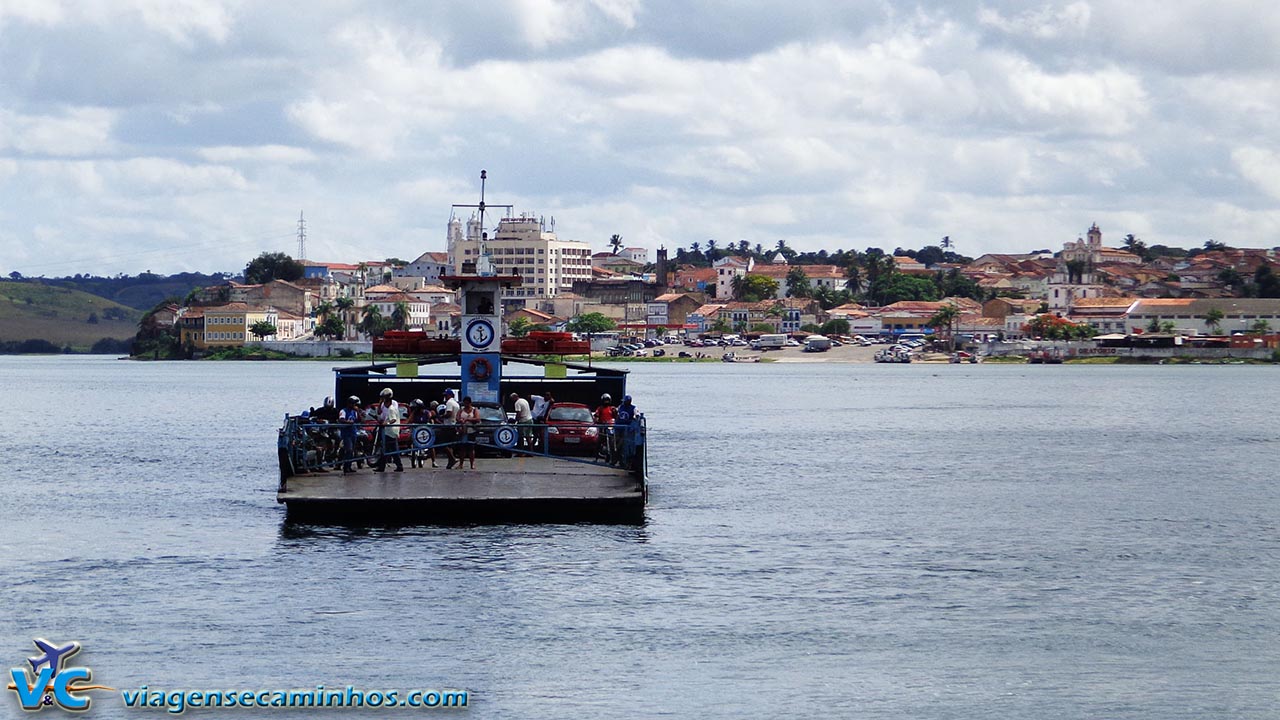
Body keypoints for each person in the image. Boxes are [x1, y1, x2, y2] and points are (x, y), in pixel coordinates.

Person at [372, 387, 403, 472]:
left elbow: (393, 419)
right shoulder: (384, 405)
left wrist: (387, 423)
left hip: (391, 430)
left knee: (387, 449)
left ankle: (382, 467)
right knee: (391, 449)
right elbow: (380, 413)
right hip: (387, 430)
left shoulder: (392, 407)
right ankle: (398, 465)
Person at [337, 395, 361, 474]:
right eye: (352, 404)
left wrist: (358, 411)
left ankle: (349, 466)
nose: (353, 405)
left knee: (352, 450)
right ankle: (345, 466)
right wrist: (348, 422)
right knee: (349, 450)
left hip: (353, 432)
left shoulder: (354, 412)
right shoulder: (343, 411)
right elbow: (341, 419)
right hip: (346, 433)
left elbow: (359, 420)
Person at [456, 396, 481, 470]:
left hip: (471, 430)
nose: (466, 404)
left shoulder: (474, 410)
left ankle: (472, 464)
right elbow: (457, 417)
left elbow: (477, 418)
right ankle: (461, 464)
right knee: (462, 448)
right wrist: (460, 420)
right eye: (465, 403)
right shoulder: (461, 410)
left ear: (470, 403)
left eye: (467, 403)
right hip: (462, 431)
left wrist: (468, 419)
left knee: (471, 448)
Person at [408, 399, 432, 468]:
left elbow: (431, 419)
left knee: (430, 443)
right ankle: (409, 450)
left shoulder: (427, 412)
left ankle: (431, 458)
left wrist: (430, 423)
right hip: (416, 430)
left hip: (424, 430)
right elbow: (409, 420)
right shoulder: (414, 413)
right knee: (409, 439)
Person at [439, 389, 460, 469]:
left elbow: (449, 413)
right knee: (450, 445)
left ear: (450, 395)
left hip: (448, 425)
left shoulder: (449, 403)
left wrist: (441, 416)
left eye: (446, 395)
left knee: (443, 444)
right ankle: (450, 461)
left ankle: (452, 458)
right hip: (454, 425)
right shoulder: (456, 403)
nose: (445, 397)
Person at [594, 393, 616, 463]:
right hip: (602, 427)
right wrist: (597, 420)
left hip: (610, 427)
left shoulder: (612, 408)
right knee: (599, 441)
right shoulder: (600, 408)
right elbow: (596, 415)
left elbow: (616, 416)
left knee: (612, 442)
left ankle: (612, 457)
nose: (606, 402)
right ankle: (596, 457)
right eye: (605, 400)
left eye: (607, 400)